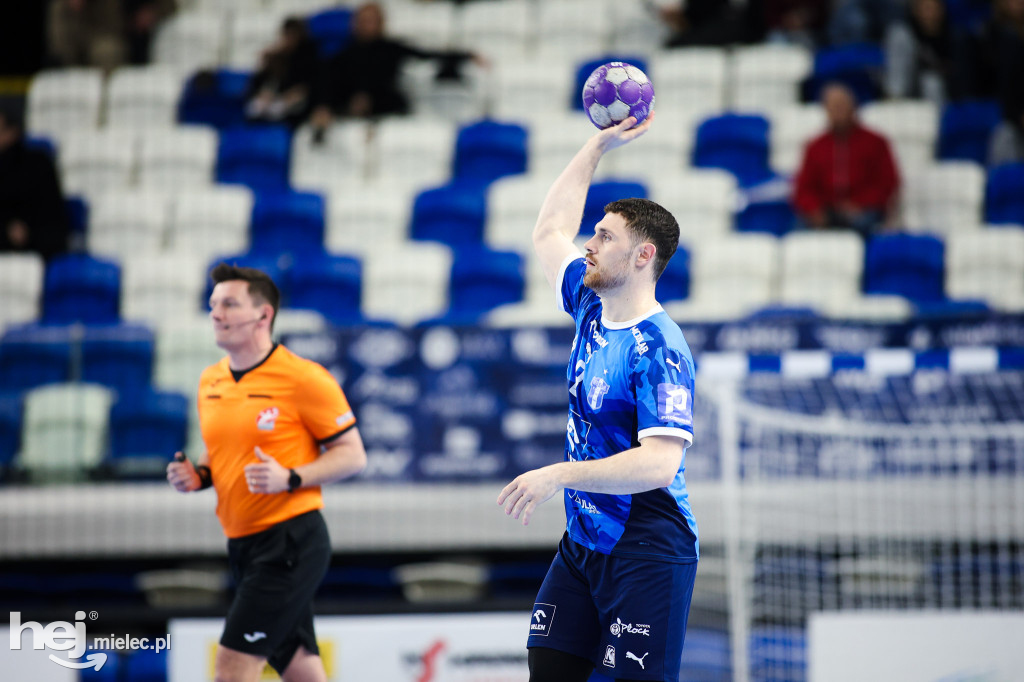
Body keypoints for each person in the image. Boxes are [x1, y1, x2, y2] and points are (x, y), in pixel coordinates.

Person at [497, 114, 699, 682]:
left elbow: (661, 464)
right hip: (584, 543)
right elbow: (547, 232)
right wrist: (597, 146)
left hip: (648, 548)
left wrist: (558, 474)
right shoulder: (591, 306)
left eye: (605, 237)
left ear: (643, 256)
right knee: (550, 668)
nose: (590, 243)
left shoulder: (660, 348)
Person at [166, 264, 367, 682]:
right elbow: (220, 454)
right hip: (243, 543)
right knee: (300, 667)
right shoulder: (210, 381)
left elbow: (353, 455)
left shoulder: (303, 378)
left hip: (289, 542)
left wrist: (290, 477)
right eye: (213, 304)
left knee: (233, 666)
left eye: (229, 304)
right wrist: (198, 476)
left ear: (264, 315)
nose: (216, 314)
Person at [310, 2, 484, 134]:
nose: (366, 26)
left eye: (371, 21)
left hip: (387, 110)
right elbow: (326, 83)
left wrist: (465, 55)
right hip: (347, 112)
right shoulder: (341, 56)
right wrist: (325, 105)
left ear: (381, 24)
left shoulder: (391, 49)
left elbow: (426, 54)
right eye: (362, 21)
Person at [793, 82, 901, 237]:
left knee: (865, 225)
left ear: (854, 107)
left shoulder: (876, 142)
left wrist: (860, 204)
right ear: (826, 111)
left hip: (863, 211)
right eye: (833, 107)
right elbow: (803, 189)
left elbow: (888, 182)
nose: (838, 112)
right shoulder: (815, 146)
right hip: (825, 211)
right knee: (797, 230)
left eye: (842, 106)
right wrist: (815, 210)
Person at [0, 107, 69, 261]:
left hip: (38, 252)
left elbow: (53, 220)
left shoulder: (38, 165)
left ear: (12, 132)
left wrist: (27, 233)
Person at [245, 16, 320, 128]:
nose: (289, 39)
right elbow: (258, 83)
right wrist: (261, 94)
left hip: (295, 108)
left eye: (293, 35)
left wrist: (296, 94)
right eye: (287, 35)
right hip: (272, 102)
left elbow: (310, 85)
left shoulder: (310, 59)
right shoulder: (275, 58)